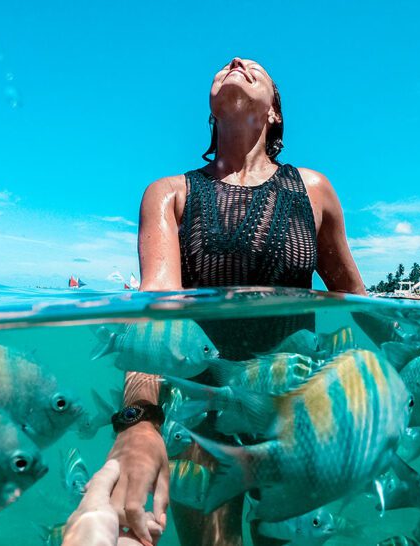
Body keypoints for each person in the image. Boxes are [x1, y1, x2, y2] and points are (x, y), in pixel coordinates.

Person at [104, 57, 368, 546]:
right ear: (211, 113)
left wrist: (408, 368)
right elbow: (157, 312)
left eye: (256, 69)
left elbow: (357, 299)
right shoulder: (169, 194)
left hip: (293, 410)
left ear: (275, 113)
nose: (236, 62)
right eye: (226, 67)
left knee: (286, 537)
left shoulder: (315, 191)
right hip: (200, 412)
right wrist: (139, 422)